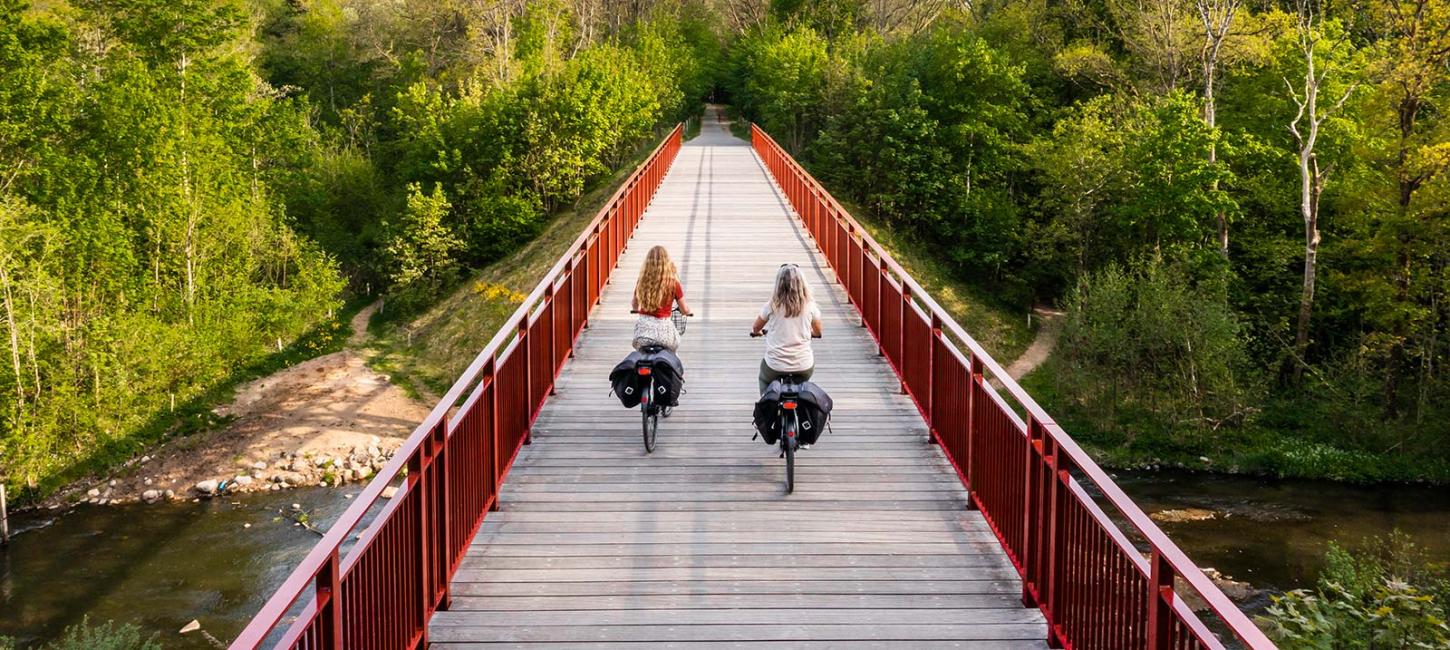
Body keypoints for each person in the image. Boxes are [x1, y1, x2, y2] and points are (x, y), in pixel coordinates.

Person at [750, 263, 823, 393]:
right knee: (803, 385)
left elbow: (756, 327)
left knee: (764, 379)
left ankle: (767, 408)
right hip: (803, 365)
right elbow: (818, 331)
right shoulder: (810, 306)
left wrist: (758, 332)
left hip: (775, 365)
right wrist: (812, 333)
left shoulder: (771, 306)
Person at [631, 245, 692, 352]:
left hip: (643, 333)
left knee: (639, 354)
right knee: (673, 356)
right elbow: (684, 309)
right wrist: (688, 311)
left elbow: (634, 305)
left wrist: (636, 309)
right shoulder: (673, 283)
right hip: (665, 334)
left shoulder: (642, 281)